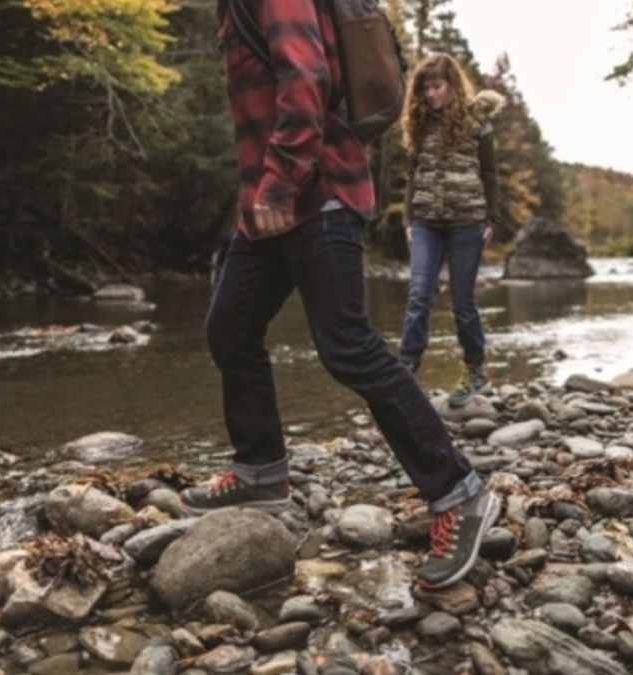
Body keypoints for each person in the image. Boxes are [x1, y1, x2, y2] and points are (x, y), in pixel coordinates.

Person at [180, 0, 499, 589]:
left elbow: (307, 79)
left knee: (346, 346)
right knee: (230, 330)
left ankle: (460, 492)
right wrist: (265, 195)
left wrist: (279, 184)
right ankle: (262, 474)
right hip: (267, 207)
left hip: (314, 191)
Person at [398, 54, 504, 408]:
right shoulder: (419, 122)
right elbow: (413, 175)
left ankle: (475, 371)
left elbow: (490, 174)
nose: (430, 94)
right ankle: (406, 369)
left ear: (453, 85)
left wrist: (492, 220)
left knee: (463, 304)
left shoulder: (477, 122)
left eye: (437, 86)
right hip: (426, 222)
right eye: (425, 88)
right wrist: (408, 220)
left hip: (467, 223)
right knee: (419, 296)